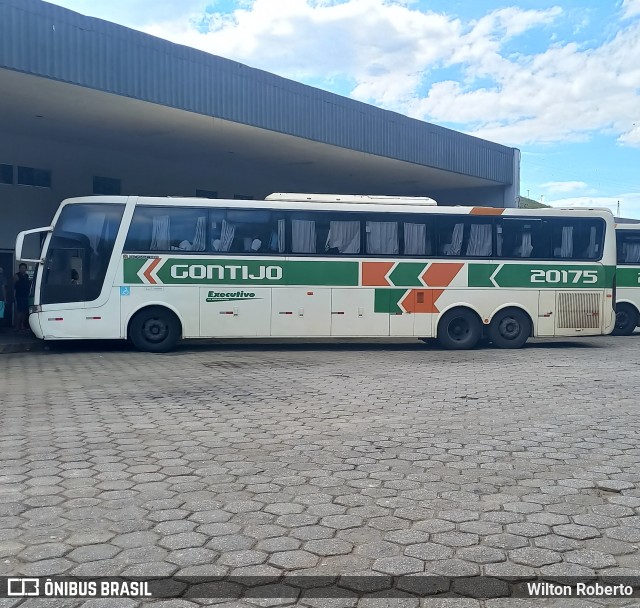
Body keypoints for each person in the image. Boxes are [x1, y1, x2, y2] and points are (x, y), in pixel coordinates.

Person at [14, 263, 31, 332]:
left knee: (24, 311)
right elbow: (14, 286)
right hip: (19, 295)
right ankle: (17, 326)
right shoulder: (16, 275)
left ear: (26, 269)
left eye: (24, 268)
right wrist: (14, 296)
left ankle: (22, 325)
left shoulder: (27, 276)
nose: (22, 269)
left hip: (26, 295)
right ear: (19, 268)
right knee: (20, 311)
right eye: (21, 268)